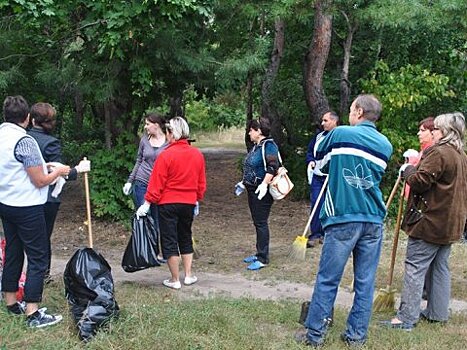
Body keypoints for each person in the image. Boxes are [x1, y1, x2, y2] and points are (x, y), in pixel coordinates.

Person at [295, 94, 393, 347]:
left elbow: (321, 164)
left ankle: (314, 334)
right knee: (365, 282)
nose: (349, 114)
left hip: (342, 217)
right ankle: (356, 336)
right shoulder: (385, 144)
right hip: (373, 218)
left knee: (328, 279)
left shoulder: (341, 135)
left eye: (351, 110)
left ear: (359, 111)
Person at [382, 112, 467, 330]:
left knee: (415, 267)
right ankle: (437, 313)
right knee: (440, 267)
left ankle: (406, 318)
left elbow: (420, 182)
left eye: (436, 128)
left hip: (431, 222)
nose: (433, 131)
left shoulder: (439, 153)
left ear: (446, 132)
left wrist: (408, 169)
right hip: (450, 223)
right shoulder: (461, 155)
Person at [0, 95, 70, 328]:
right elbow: (40, 180)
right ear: (27, 118)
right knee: (38, 256)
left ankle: (10, 302)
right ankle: (32, 311)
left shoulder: (2, 135)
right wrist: (58, 172)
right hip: (27, 206)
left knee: (13, 251)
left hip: (6, 203)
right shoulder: (25, 141)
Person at [136, 117, 206, 289]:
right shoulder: (197, 154)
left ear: (171, 133)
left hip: (168, 203)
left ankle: (175, 279)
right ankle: (188, 275)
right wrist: (197, 198)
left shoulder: (165, 155)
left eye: (167, 132)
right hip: (188, 203)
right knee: (185, 236)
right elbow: (201, 182)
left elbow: (156, 182)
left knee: (169, 240)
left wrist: (147, 203)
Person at [27, 102, 91, 283]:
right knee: (42, 238)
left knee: (23, 239)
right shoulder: (51, 142)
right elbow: (58, 173)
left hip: (22, 196)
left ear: (32, 120)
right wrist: (77, 170)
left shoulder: (23, 138)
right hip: (46, 196)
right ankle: (42, 275)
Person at [237, 118, 280, 271]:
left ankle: (263, 257)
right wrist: (244, 182)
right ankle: (259, 252)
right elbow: (251, 167)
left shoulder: (269, 146)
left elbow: (273, 166)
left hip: (262, 191)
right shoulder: (257, 146)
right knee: (257, 222)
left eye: (251, 130)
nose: (249, 132)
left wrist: (264, 184)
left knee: (261, 222)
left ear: (259, 131)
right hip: (252, 189)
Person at [305, 111, 339, 247]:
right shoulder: (318, 137)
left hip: (333, 178)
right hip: (317, 176)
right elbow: (309, 152)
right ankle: (315, 234)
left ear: (334, 121)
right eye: (322, 120)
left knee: (330, 206)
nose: (322, 123)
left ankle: (328, 234)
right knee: (316, 204)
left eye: (325, 120)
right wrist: (311, 161)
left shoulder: (340, 137)